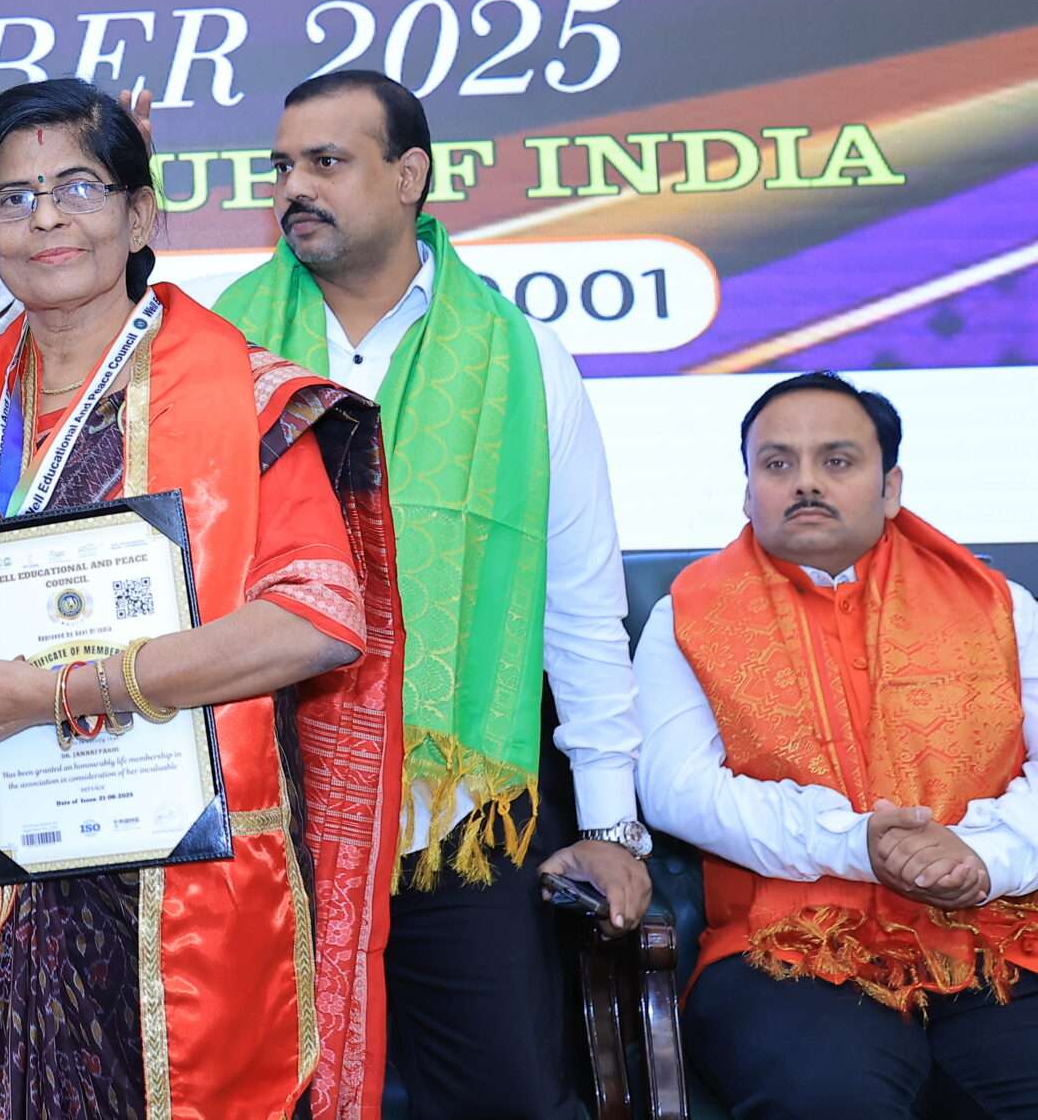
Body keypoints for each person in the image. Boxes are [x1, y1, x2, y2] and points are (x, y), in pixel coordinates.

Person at [0, 77, 406, 1120]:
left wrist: (62, 691)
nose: (46, 218)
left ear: (140, 214)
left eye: (78, 187)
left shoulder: (247, 393)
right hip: (10, 880)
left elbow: (317, 619)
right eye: (13, 198)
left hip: (187, 878)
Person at [214, 69, 646, 1118]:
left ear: (409, 175)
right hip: (263, 812)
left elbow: (579, 606)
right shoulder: (219, 348)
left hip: (451, 809)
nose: (293, 188)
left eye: (326, 162)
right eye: (281, 167)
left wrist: (611, 826)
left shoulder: (521, 357)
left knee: (503, 1097)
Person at [635, 373, 1038, 1119]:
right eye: (777, 463)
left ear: (891, 487)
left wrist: (986, 855)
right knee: (834, 1095)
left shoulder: (998, 606)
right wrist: (856, 844)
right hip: (784, 952)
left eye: (838, 460)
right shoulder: (685, 616)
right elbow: (677, 789)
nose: (806, 482)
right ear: (747, 490)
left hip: (995, 936)